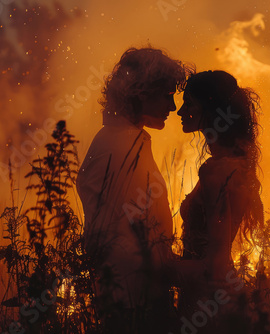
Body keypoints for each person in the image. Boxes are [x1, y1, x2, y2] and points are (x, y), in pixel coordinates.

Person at [76, 47, 190, 331]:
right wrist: (195, 274)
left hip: (133, 302)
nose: (172, 107)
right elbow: (120, 245)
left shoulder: (125, 140)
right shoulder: (119, 146)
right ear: (140, 92)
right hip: (134, 307)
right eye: (165, 95)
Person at [176, 70, 264, 326]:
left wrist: (153, 266)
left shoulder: (217, 172)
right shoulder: (232, 164)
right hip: (211, 304)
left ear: (211, 110)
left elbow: (213, 269)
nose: (181, 112)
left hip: (208, 309)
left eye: (189, 104)